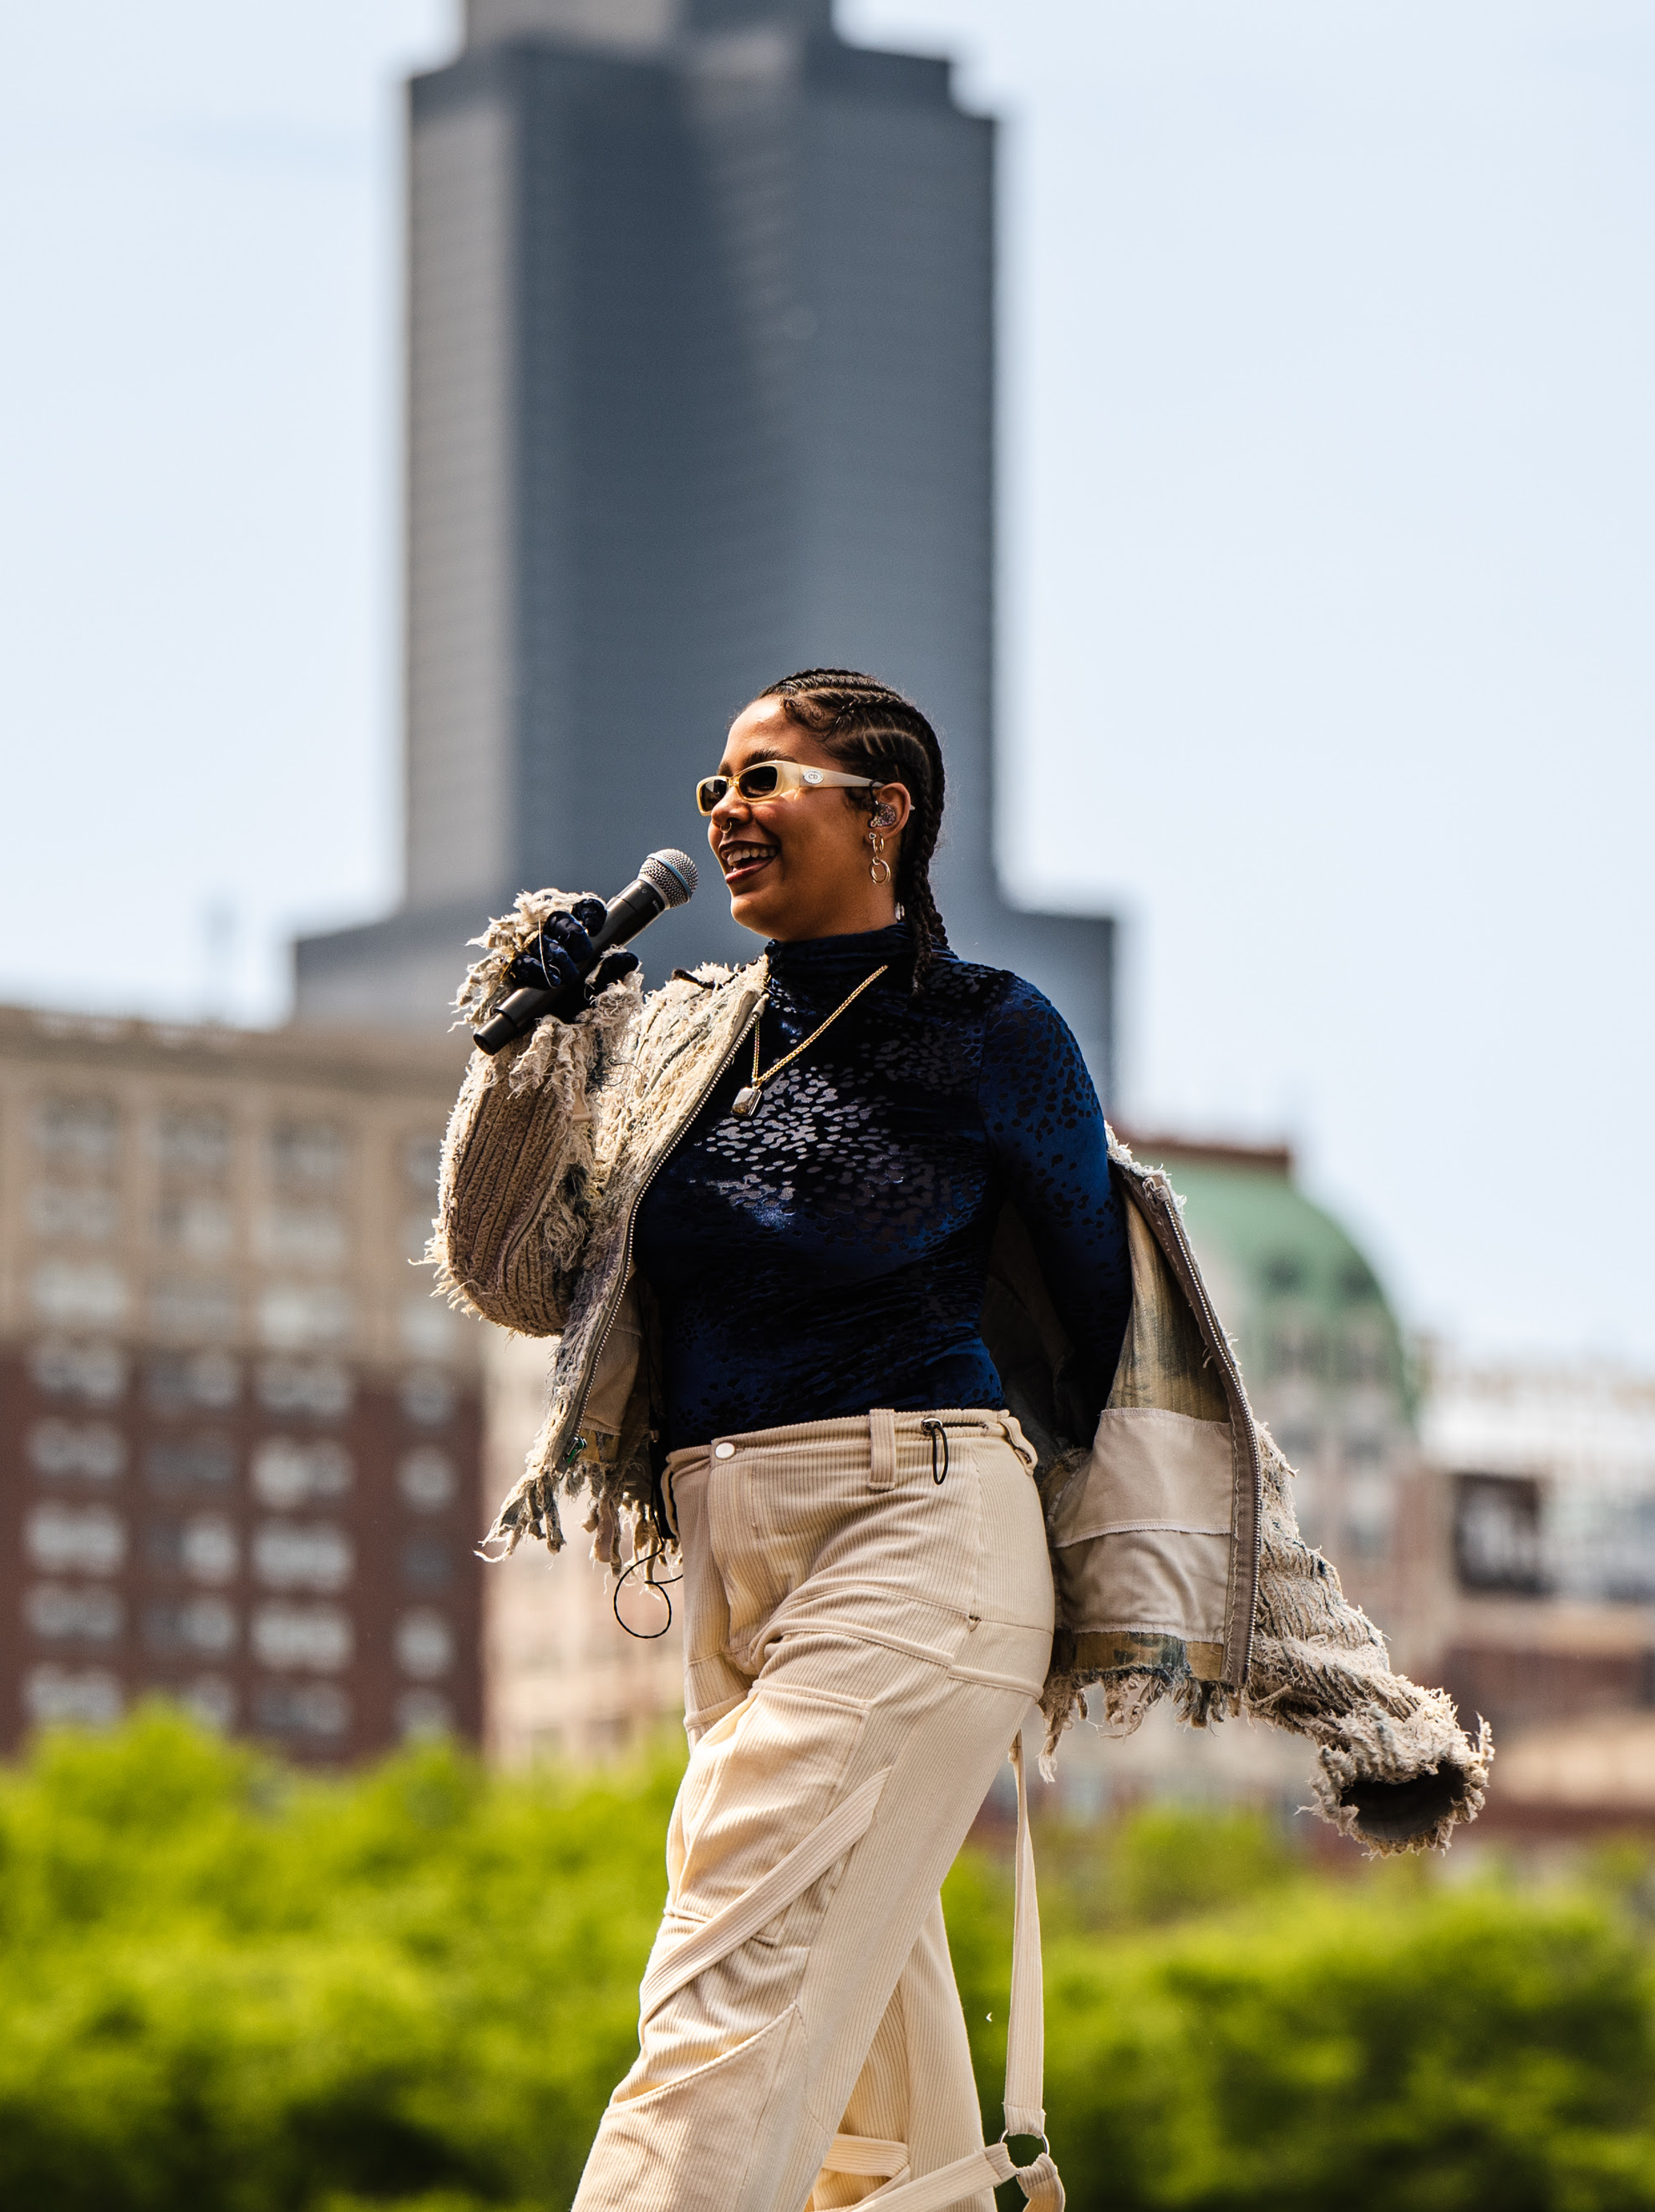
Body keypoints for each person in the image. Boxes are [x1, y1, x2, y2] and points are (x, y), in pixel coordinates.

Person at [432, 668, 1487, 2212]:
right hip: (729, 1567)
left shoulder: (992, 1034)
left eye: (766, 778)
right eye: (716, 784)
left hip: (917, 1537)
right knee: (865, 2086)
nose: (724, 811)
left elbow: (1118, 1349)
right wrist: (530, 1053)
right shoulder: (676, 1044)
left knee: (731, 1990)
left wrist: (1321, 1670)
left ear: (885, 813)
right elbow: (515, 1275)